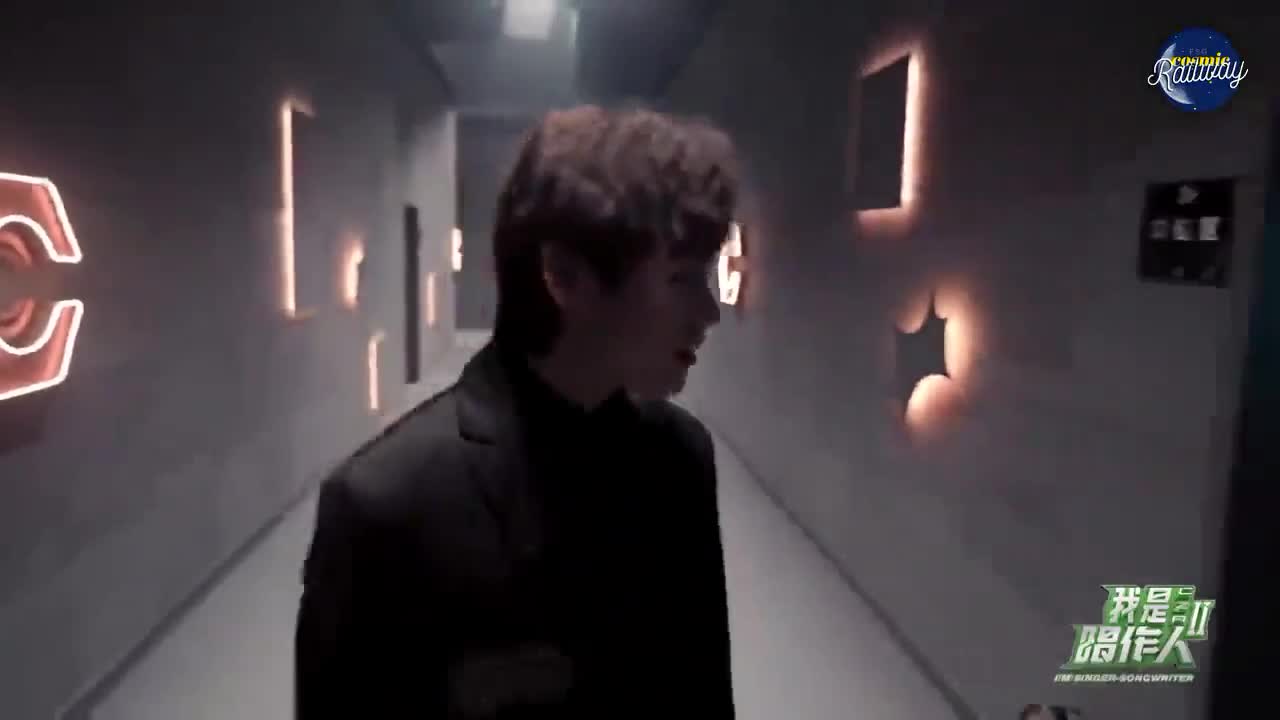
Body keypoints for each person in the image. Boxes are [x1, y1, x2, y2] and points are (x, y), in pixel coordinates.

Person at [295, 105, 739, 718]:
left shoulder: (682, 458)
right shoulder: (384, 503)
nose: (709, 312)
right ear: (564, 275)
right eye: (682, 279)